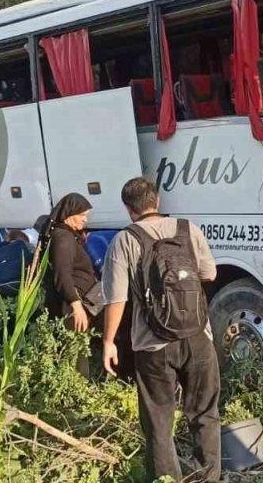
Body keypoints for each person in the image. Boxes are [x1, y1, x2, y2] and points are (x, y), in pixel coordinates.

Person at [101, 177, 221, 483]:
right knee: (205, 413)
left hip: (153, 345)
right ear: (158, 201)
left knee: (159, 421)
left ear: (129, 210)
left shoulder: (125, 240)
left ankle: (167, 479)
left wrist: (109, 341)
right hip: (198, 336)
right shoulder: (187, 229)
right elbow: (210, 273)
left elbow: (116, 298)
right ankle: (208, 478)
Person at [44, 193, 102, 377]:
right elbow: (62, 275)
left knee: (76, 350)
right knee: (75, 354)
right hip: (71, 307)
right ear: (69, 214)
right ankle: (76, 393)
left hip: (74, 303)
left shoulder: (66, 236)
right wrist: (76, 306)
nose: (85, 220)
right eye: (82, 215)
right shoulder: (63, 239)